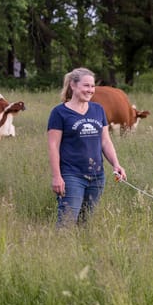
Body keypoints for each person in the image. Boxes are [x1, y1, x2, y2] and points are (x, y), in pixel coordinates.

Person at [47, 67, 127, 227]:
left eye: (92, 86)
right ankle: (59, 251)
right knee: (66, 223)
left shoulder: (98, 110)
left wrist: (116, 164)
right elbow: (53, 146)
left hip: (97, 177)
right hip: (71, 176)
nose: (90, 90)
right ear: (73, 85)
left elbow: (105, 141)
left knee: (84, 224)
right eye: (86, 86)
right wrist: (57, 176)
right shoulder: (59, 112)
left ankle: (78, 251)